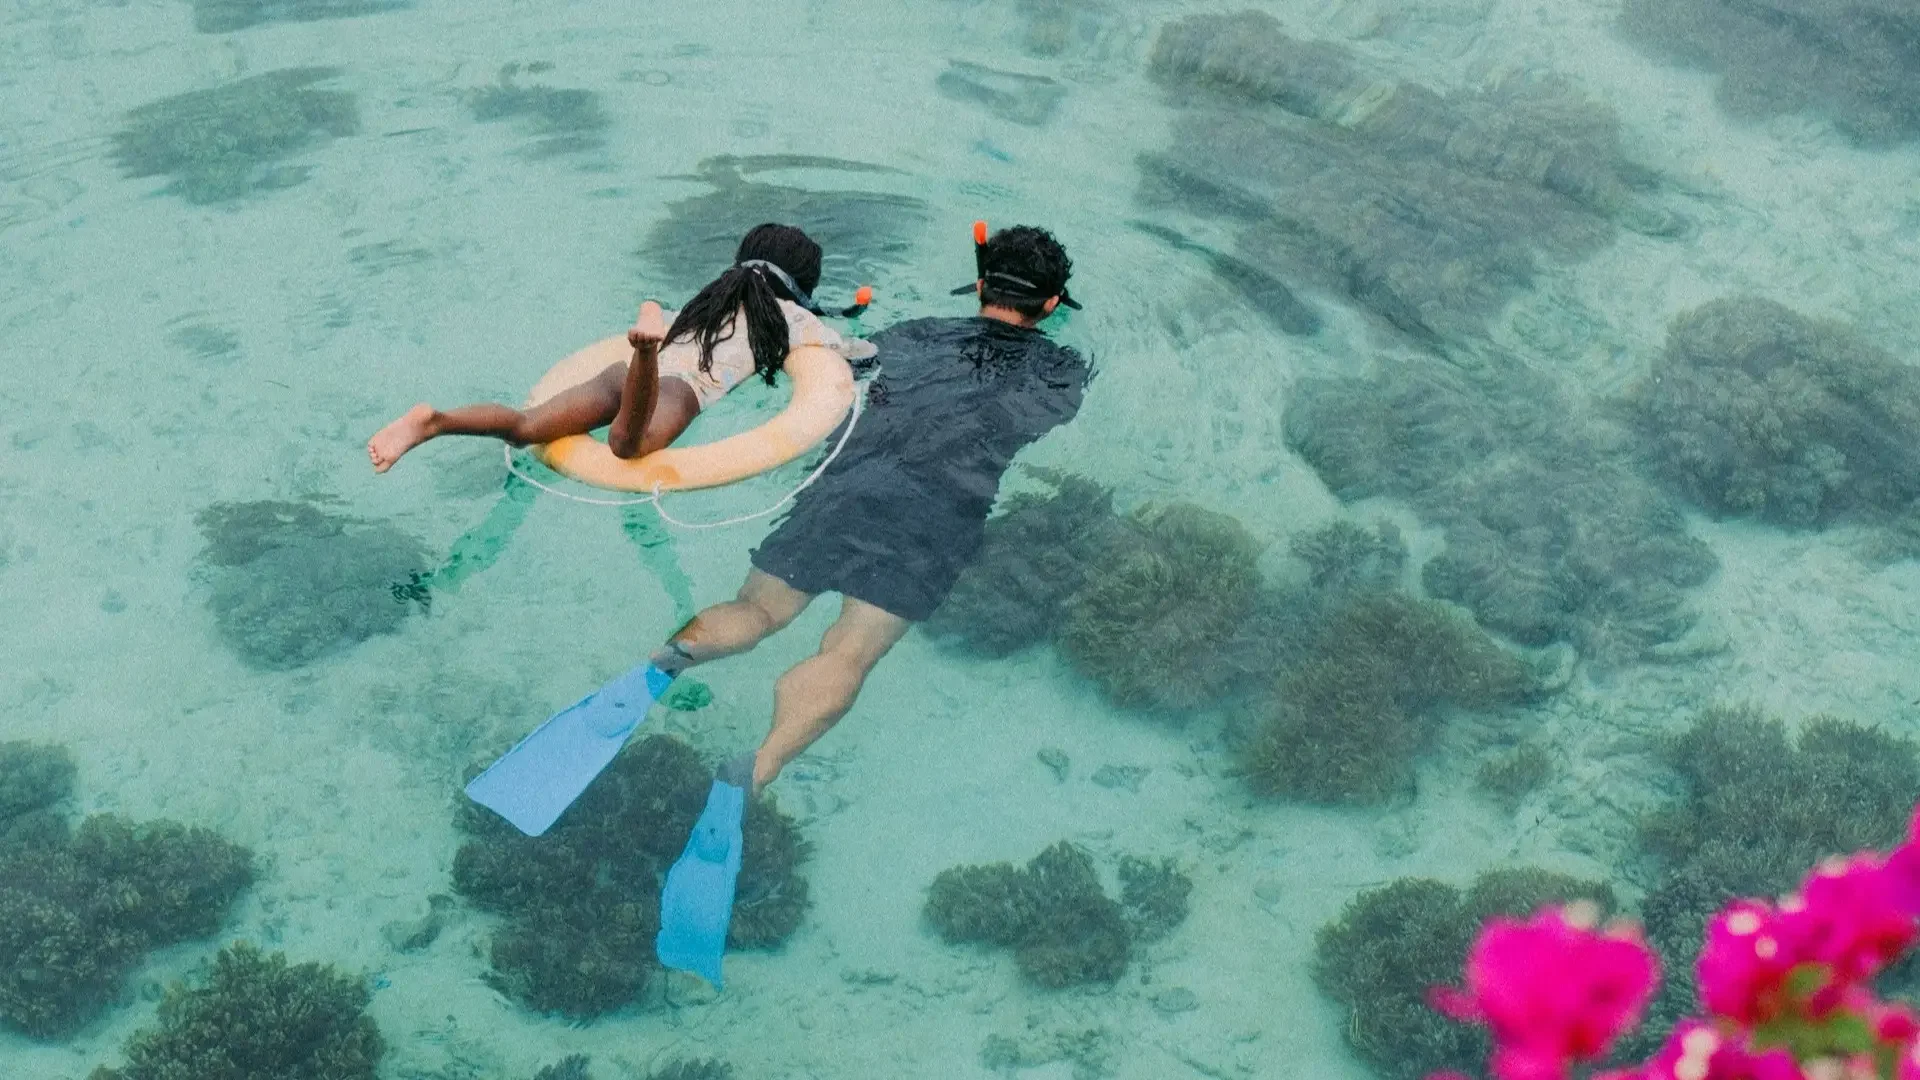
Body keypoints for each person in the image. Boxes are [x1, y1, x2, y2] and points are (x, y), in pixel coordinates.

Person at [647, 224, 1089, 792]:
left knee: (757, 609)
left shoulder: (908, 335)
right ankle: (763, 762)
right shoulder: (1059, 370)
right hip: (935, 513)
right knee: (849, 653)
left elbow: (845, 386)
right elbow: (1035, 424)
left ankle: (667, 658)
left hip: (847, 483)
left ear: (980, 286)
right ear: (1052, 304)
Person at [365, 223, 874, 473]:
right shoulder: (792, 318)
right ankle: (646, 354)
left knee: (525, 428)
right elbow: (854, 355)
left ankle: (435, 421)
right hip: (679, 386)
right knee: (626, 447)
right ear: (802, 285)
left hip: (621, 370)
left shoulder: (706, 301)